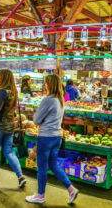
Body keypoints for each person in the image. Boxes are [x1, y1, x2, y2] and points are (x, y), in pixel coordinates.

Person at [26, 74, 79, 204]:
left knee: (42, 167)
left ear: (49, 84)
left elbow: (37, 120)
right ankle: (71, 189)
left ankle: (40, 195)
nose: (44, 85)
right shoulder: (60, 99)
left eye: (46, 83)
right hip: (57, 137)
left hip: (46, 137)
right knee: (54, 165)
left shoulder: (48, 99)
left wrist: (37, 115)